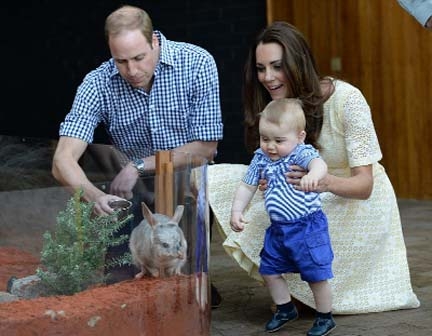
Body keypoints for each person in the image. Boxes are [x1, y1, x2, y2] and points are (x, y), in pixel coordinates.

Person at [207, 21, 420, 316]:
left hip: (351, 200)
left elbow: (365, 186)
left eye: (277, 66)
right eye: (260, 68)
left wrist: (321, 182)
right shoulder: (275, 106)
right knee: (213, 178)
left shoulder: (348, 99)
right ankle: (210, 282)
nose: (267, 77)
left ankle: (307, 292)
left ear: (298, 63)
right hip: (301, 193)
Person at [51, 5, 223, 306]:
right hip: (133, 195)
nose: (131, 71)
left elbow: (206, 148)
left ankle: (195, 280)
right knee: (121, 289)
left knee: (185, 295)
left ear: (154, 42)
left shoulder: (197, 62)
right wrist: (94, 197)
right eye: (121, 61)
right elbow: (62, 161)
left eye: (139, 58)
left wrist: (139, 165)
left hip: (186, 187)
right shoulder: (98, 83)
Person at [230, 98, 335, 335]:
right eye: (265, 138)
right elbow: (247, 185)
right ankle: (285, 308)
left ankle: (325, 316)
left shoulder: (300, 153)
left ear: (299, 136)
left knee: (316, 274)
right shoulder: (260, 158)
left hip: (307, 227)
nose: (271, 146)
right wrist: (237, 210)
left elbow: (319, 164)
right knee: (269, 270)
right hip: (278, 228)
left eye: (279, 140)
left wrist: (314, 175)